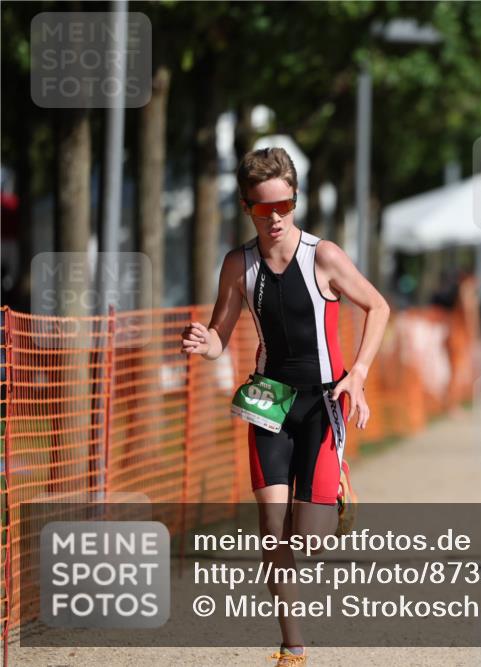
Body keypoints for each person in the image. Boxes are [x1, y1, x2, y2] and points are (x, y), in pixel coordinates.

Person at [181, 147, 389, 666]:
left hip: (323, 403)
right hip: (269, 402)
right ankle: (292, 646)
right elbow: (219, 338)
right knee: (272, 537)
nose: (274, 218)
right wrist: (202, 340)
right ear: (247, 207)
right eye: (262, 208)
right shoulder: (238, 264)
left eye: (284, 206)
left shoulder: (325, 257)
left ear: (295, 201)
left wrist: (357, 374)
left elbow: (378, 306)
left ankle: (335, 488)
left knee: (309, 544)